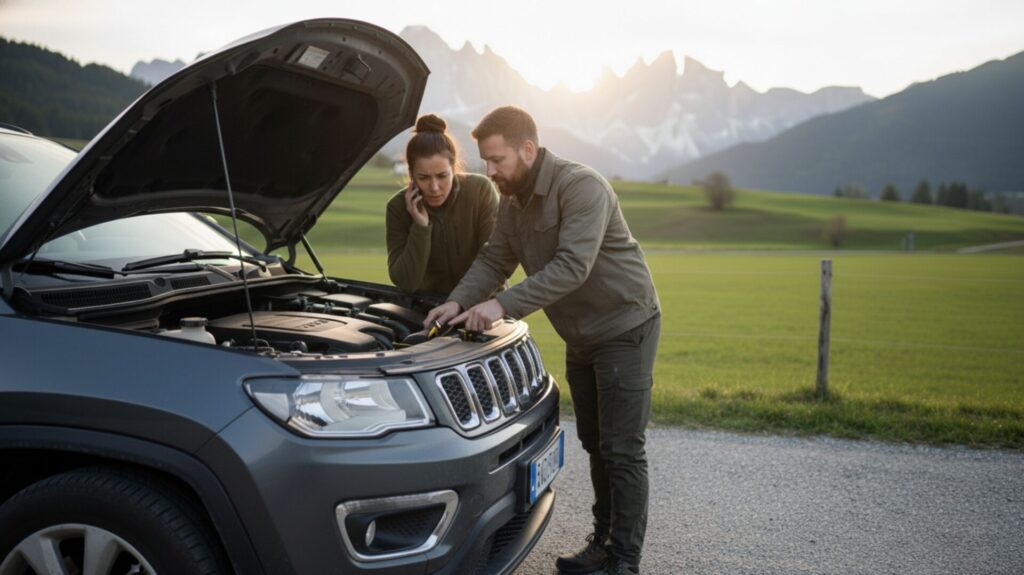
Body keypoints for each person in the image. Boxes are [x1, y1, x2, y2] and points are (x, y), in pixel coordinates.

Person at [425, 106, 660, 575]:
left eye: (497, 160)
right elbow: (494, 260)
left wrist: (501, 306)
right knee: (595, 442)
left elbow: (574, 265)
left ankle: (624, 561)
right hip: (581, 335)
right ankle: (603, 542)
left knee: (622, 447)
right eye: (486, 161)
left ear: (527, 150)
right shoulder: (514, 202)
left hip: (624, 327)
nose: (489, 172)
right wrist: (456, 303)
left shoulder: (582, 187)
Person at [385, 114, 499, 294]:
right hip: (427, 311)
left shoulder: (480, 191)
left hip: (482, 306)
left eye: (442, 176)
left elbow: (494, 262)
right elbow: (405, 282)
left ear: (453, 168)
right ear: (411, 174)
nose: (434, 187)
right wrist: (421, 227)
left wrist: (459, 304)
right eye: (423, 177)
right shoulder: (397, 208)